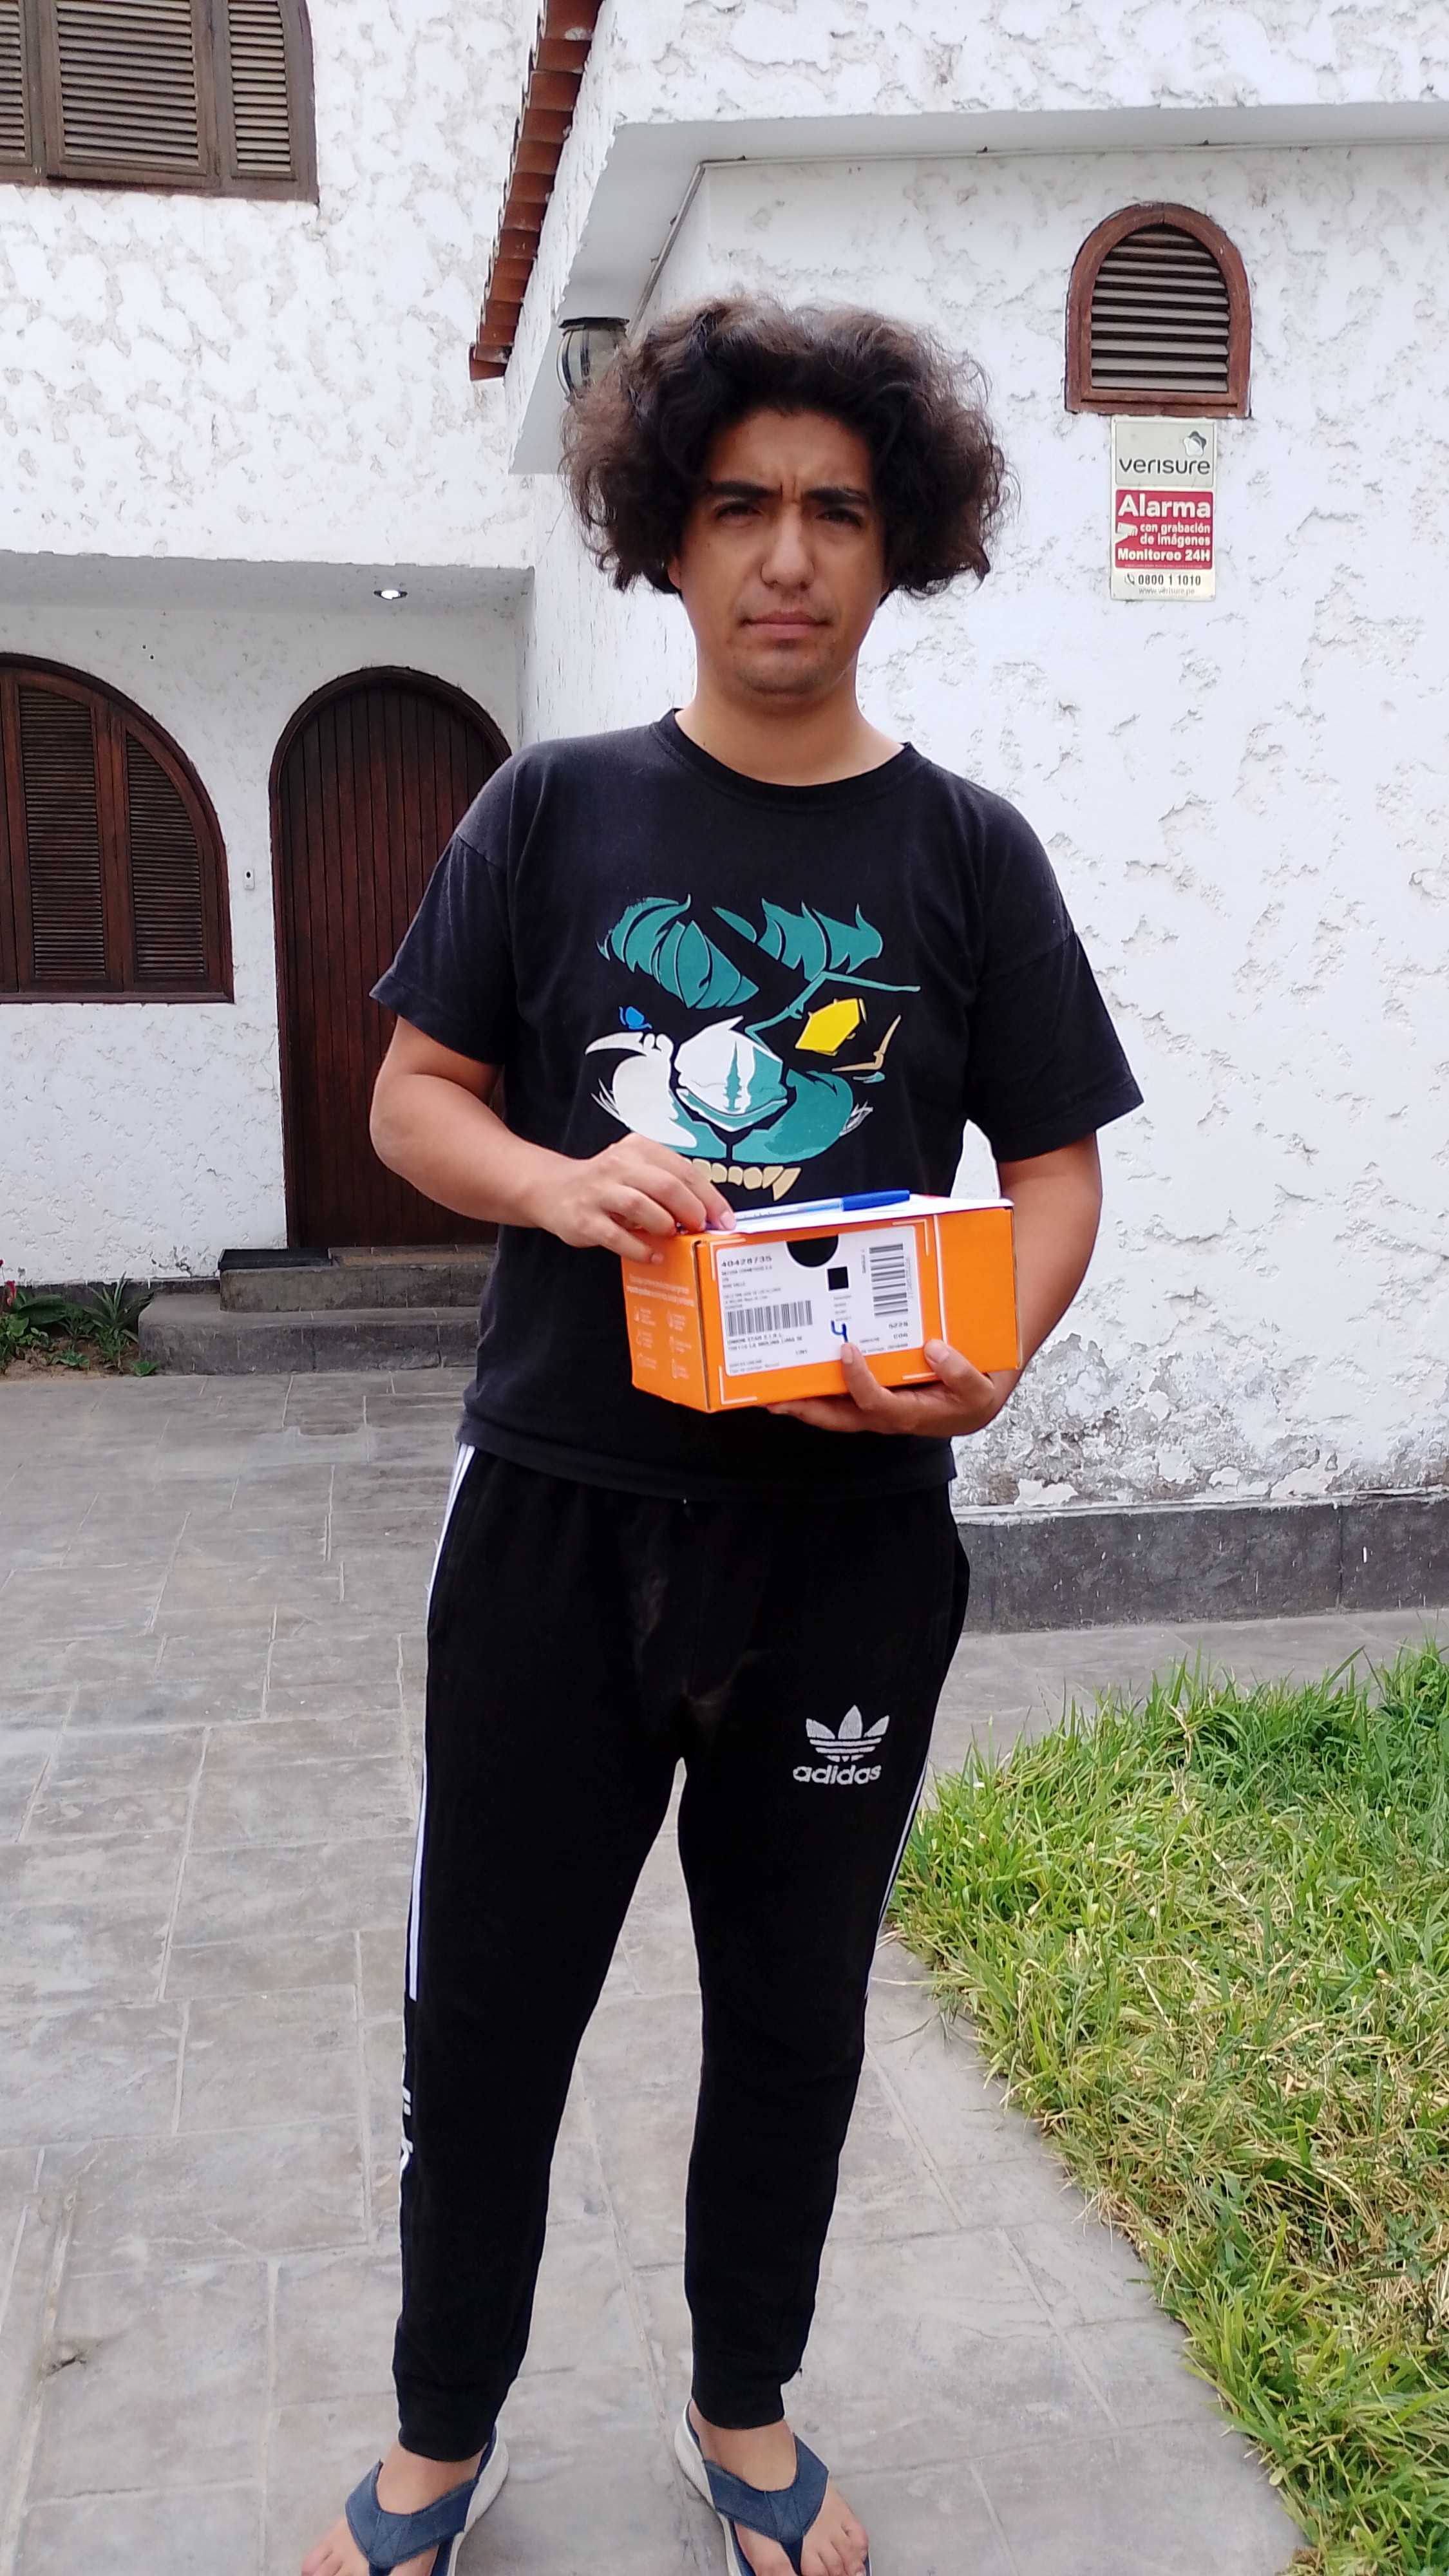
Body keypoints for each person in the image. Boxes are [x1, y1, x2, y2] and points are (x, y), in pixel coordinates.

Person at [304, 296, 1141, 2576]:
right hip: (558, 1514)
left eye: (835, 511)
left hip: (847, 1541)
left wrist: (993, 1356)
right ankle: (438, 2440)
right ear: (665, 539)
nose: (786, 555)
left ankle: (739, 2407)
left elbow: (1054, 1171)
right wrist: (558, 1182)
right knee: (489, 2010)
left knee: (792, 2015)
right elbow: (413, 1100)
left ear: (900, 544)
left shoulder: (968, 852)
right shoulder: (551, 809)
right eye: (740, 506)